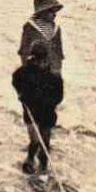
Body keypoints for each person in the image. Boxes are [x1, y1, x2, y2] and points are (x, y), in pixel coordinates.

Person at [12, 42, 65, 175]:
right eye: (37, 60)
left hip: (47, 111)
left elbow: (59, 96)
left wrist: (49, 102)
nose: (41, 63)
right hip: (31, 110)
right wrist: (20, 94)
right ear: (33, 59)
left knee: (45, 139)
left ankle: (43, 165)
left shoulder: (54, 78)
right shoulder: (23, 72)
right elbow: (15, 80)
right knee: (34, 139)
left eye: (43, 60)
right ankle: (30, 159)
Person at [19, 0, 65, 75]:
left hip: (53, 73)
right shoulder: (30, 27)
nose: (54, 14)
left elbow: (59, 54)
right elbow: (24, 52)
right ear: (41, 12)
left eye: (55, 11)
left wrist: (57, 73)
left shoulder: (56, 29)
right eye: (51, 11)